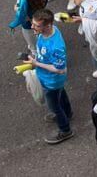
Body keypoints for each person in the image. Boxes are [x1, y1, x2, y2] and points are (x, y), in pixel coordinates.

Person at [27, 9, 75, 144]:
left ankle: (65, 130)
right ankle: (68, 112)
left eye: (36, 25)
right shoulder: (47, 31)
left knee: (54, 106)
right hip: (50, 79)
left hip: (52, 81)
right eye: (33, 23)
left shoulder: (56, 47)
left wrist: (36, 64)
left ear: (47, 26)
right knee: (61, 94)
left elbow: (60, 69)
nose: (32, 27)